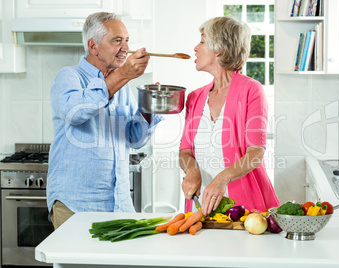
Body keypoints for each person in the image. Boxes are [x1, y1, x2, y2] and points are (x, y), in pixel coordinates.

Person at [47, 12, 163, 229]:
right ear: (93, 46)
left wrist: (148, 107)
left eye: (127, 40)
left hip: (118, 204)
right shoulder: (69, 76)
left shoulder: (122, 86)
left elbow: (134, 139)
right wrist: (123, 75)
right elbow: (75, 112)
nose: (125, 48)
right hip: (75, 204)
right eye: (117, 40)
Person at [179, 16, 280, 215]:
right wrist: (191, 171)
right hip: (201, 207)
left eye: (202, 41)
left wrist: (221, 179)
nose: (195, 48)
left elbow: (255, 153)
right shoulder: (194, 97)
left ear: (219, 48)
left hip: (244, 208)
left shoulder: (251, 90)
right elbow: (185, 151)